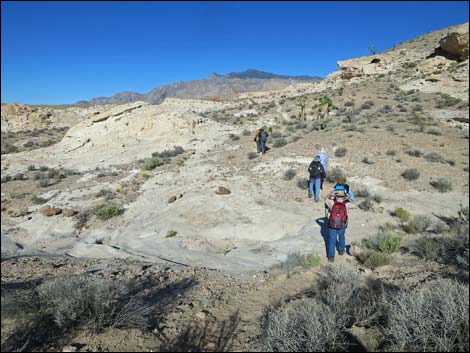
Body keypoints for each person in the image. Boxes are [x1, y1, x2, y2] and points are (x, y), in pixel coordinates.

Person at [324, 175, 355, 263]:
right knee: (342, 236)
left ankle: (331, 257)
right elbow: (353, 203)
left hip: (332, 225)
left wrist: (331, 193)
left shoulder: (331, 203)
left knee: (331, 240)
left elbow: (325, 199)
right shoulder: (347, 204)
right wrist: (348, 197)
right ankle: (341, 251)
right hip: (342, 224)